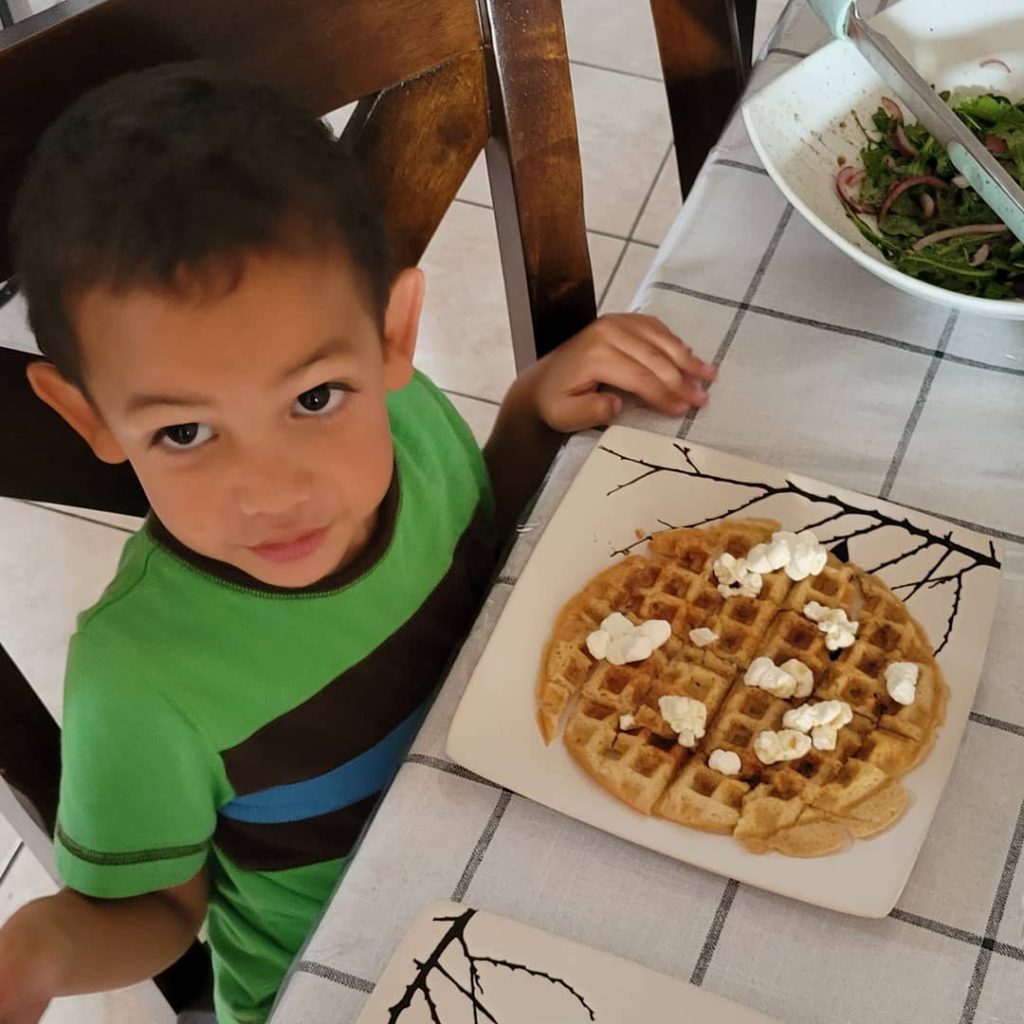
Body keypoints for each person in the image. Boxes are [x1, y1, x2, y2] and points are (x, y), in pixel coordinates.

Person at [0, 65, 716, 1024]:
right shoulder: (138, 679)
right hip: (346, 975)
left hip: (548, 845)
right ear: (89, 416)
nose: (275, 492)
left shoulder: (406, 419)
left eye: (311, 399)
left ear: (392, 337)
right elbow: (167, 909)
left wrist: (526, 415)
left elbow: (473, 554)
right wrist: (39, 949)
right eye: (184, 432)